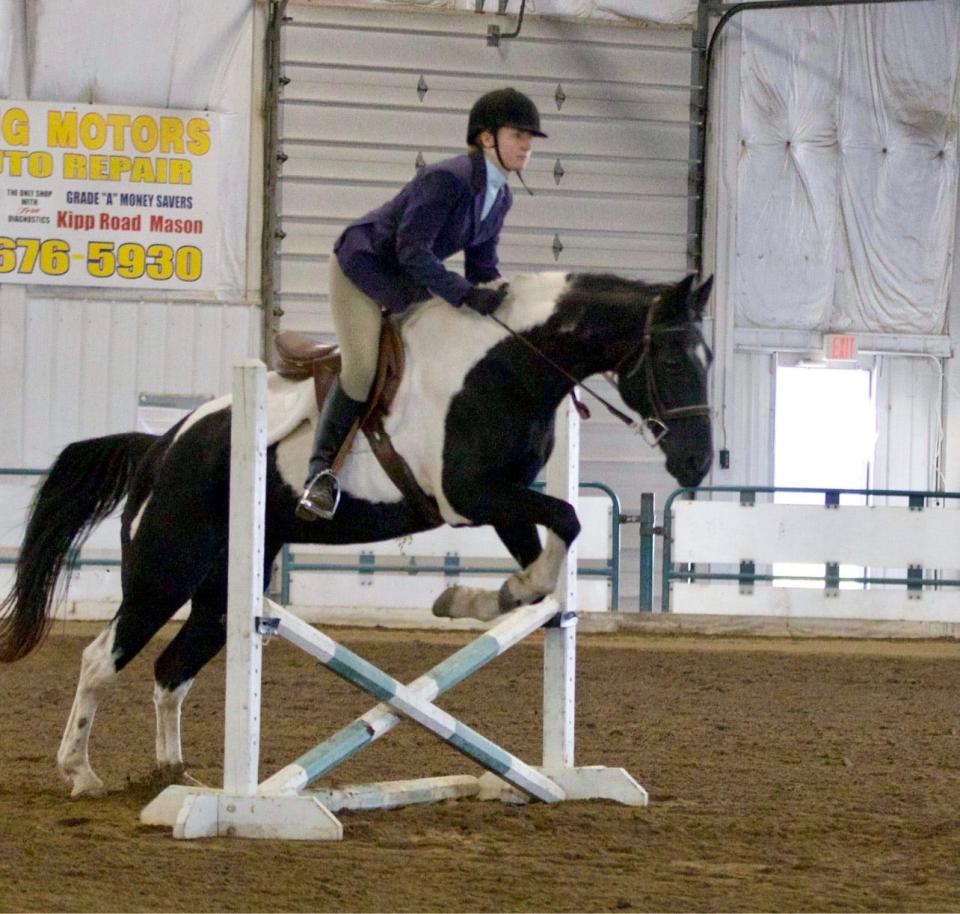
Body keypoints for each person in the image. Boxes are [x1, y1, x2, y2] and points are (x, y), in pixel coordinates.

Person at [296, 87, 547, 521]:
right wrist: (467, 295)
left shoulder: (501, 196)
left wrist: (513, 306)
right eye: (518, 134)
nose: (528, 144)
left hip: (409, 279)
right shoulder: (446, 179)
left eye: (530, 137)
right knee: (362, 368)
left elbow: (482, 266)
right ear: (487, 138)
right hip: (363, 267)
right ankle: (320, 476)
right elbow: (412, 250)